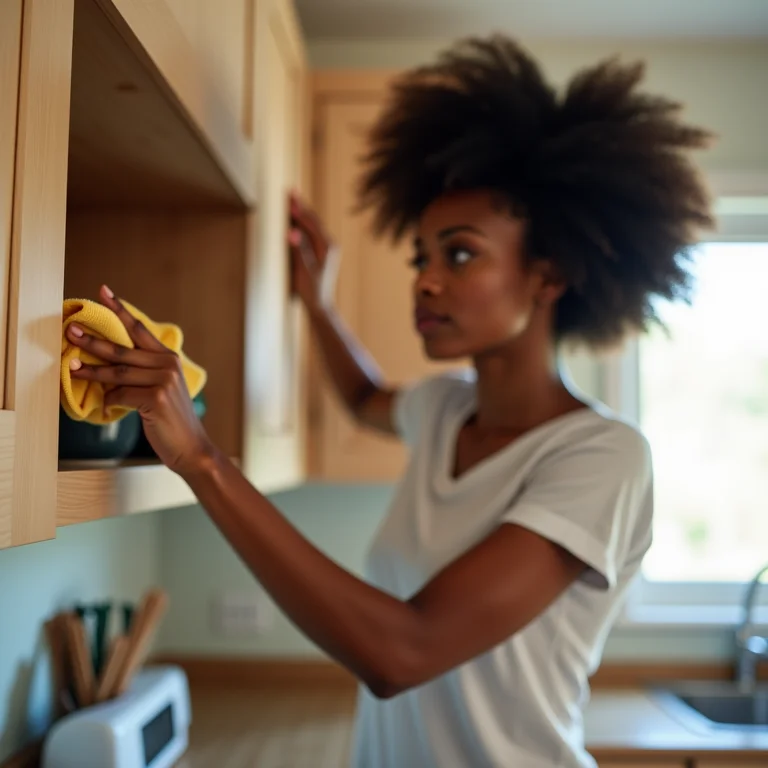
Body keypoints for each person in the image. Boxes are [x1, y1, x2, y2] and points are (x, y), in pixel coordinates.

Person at [67, 35, 714, 768]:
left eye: (459, 253)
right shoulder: (444, 407)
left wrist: (202, 460)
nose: (425, 281)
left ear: (548, 275)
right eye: (420, 256)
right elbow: (362, 395)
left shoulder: (602, 458)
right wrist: (316, 300)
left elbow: (402, 652)